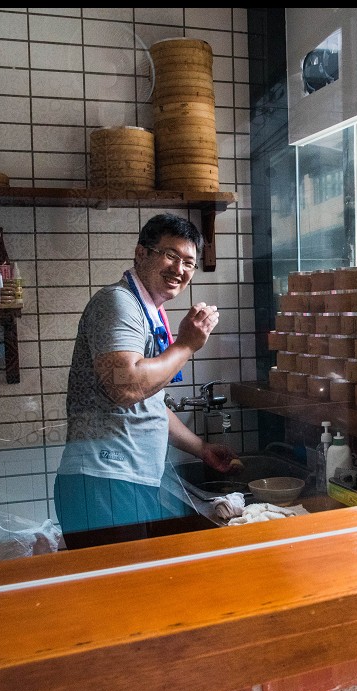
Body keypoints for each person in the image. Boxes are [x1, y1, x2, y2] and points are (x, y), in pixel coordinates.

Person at [53, 213, 238, 545]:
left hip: (123, 480)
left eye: (189, 263)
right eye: (170, 255)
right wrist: (186, 345)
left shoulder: (150, 310)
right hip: (105, 480)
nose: (179, 270)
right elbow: (127, 386)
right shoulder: (118, 303)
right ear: (141, 253)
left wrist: (201, 448)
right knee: (118, 591)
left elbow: (147, 400)